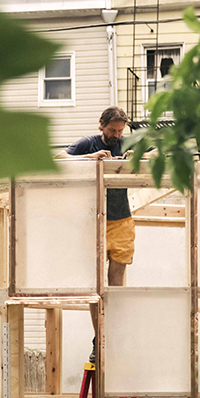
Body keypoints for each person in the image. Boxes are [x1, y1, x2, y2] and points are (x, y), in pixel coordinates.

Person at [59, 107, 135, 287]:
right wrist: (89, 157)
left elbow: (157, 153)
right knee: (94, 283)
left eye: (120, 131)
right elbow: (59, 156)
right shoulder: (89, 143)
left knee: (117, 280)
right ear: (102, 126)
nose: (116, 135)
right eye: (112, 130)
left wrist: (136, 156)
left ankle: (115, 316)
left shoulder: (127, 143)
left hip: (121, 219)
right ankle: (99, 317)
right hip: (92, 219)